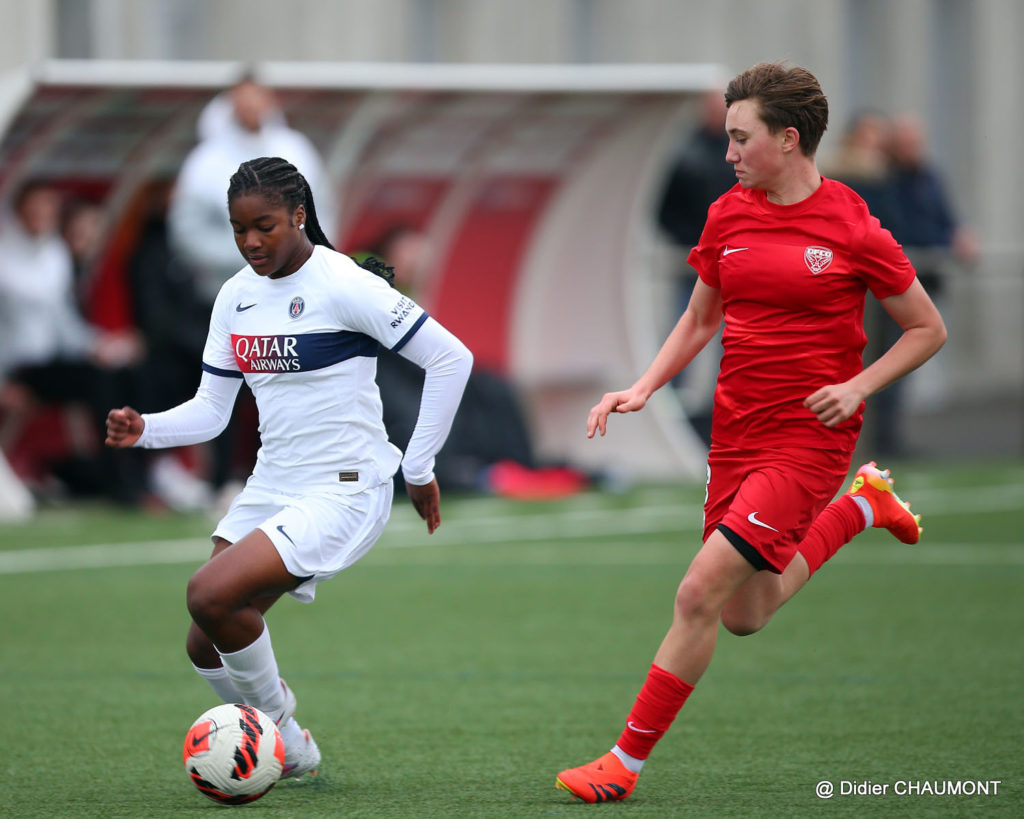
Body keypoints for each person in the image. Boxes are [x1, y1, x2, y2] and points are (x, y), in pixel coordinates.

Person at [554, 62, 946, 803]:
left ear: (788, 139)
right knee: (744, 613)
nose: (728, 152)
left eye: (741, 138)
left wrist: (858, 386)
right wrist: (643, 386)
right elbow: (701, 316)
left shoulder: (851, 224)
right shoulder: (728, 213)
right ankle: (863, 507)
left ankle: (623, 763)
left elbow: (928, 328)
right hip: (735, 432)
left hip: (808, 438)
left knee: (698, 591)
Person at [106, 157, 472, 779]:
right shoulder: (235, 296)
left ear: (299, 215)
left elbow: (451, 359)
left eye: (265, 226)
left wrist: (418, 467)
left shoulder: (345, 282)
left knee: (209, 593)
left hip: (345, 488)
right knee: (204, 639)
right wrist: (148, 430)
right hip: (272, 484)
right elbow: (212, 411)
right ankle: (288, 744)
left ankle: (277, 735)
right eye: (238, 229)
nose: (251, 242)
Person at [168, 75, 337, 500]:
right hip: (228, 295)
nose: (252, 108)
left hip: (293, 295)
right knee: (225, 386)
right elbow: (186, 233)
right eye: (242, 100)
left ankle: (300, 475)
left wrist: (304, 260)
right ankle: (221, 481)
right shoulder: (205, 162)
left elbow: (322, 215)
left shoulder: (296, 149)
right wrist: (254, 255)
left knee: (296, 384)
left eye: (258, 98)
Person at [0, 180, 146, 504]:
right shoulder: (4, 256)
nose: (42, 214)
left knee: (121, 373)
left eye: (48, 207)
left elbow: (64, 323)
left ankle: (135, 471)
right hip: (17, 366)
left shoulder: (54, 254)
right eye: (36, 206)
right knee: (99, 383)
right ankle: (118, 482)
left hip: (52, 360)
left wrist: (101, 346)